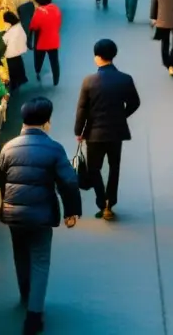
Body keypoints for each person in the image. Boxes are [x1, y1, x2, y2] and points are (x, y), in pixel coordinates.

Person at [0, 97, 81, 335]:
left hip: (13, 213)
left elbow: (0, 174)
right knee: (40, 260)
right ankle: (34, 315)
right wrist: (71, 212)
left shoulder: (9, 147)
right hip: (41, 214)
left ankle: (25, 295)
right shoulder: (54, 148)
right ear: (47, 122)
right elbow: (68, 181)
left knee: (20, 255)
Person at [74, 39, 140, 221]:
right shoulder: (125, 79)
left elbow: (82, 109)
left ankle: (101, 202)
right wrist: (121, 115)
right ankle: (110, 203)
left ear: (97, 57)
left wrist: (79, 131)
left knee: (94, 169)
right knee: (114, 167)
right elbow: (135, 103)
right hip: (116, 133)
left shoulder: (89, 81)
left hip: (94, 134)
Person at [29, 0, 62, 85]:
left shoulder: (39, 11)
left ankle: (38, 71)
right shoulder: (56, 9)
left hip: (41, 41)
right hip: (54, 40)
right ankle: (56, 80)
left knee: (39, 58)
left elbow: (34, 26)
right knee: (54, 61)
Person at [2, 11, 29, 90]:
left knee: (12, 69)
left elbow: (4, 40)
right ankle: (22, 79)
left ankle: (14, 85)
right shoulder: (18, 26)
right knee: (19, 65)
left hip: (12, 53)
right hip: (18, 51)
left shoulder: (12, 30)